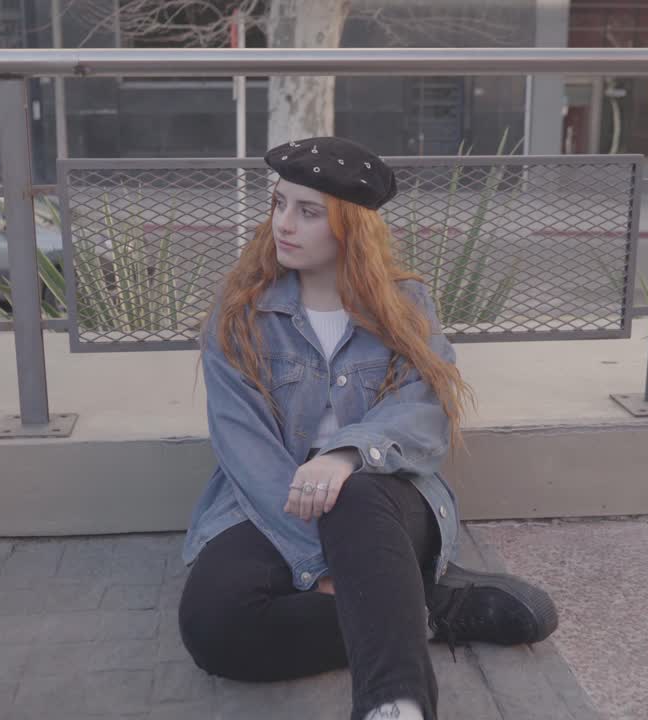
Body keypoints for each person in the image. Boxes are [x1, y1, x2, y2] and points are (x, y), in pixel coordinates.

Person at [178, 136, 558, 720]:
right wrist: (321, 564)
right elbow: (242, 444)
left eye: (308, 212)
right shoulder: (241, 311)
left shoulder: (405, 304)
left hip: (383, 497)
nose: (284, 224)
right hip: (271, 498)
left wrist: (348, 455)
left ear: (350, 227)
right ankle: (426, 609)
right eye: (279, 204)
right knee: (214, 625)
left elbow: (423, 409)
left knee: (355, 495)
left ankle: (394, 705)